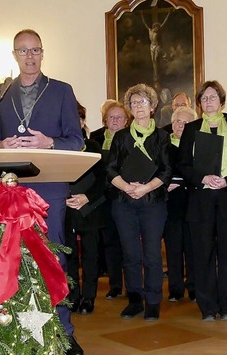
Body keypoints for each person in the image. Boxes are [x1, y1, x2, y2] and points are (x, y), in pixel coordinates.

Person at [0, 28, 84, 355]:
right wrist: (1, 144)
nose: (30, 56)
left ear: (42, 53)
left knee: (52, 263)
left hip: (51, 192)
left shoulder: (62, 91)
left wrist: (48, 142)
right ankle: (17, 333)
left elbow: (77, 142)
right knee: (12, 263)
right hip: (11, 192)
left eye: (35, 50)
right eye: (23, 51)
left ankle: (63, 333)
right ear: (14, 55)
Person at [178, 80, 227, 321]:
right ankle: (207, 306)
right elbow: (183, 165)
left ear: (222, 100)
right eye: (204, 98)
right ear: (199, 104)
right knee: (203, 254)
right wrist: (202, 178)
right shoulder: (191, 129)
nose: (208, 101)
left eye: (212, 97)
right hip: (201, 199)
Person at [106, 83, 172, 321]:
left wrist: (144, 188)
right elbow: (111, 168)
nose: (138, 107)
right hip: (124, 202)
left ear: (152, 106)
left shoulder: (162, 136)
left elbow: (166, 171)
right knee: (131, 253)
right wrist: (127, 187)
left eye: (143, 102)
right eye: (134, 103)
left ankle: (153, 301)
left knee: (152, 254)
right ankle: (135, 299)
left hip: (153, 202)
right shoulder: (121, 137)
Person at [65, 101, 107, 315]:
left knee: (91, 255)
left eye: (79, 118)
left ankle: (89, 298)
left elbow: (102, 180)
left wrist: (86, 198)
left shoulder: (93, 146)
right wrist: (65, 197)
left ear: (82, 121)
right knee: (69, 255)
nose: (75, 122)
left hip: (90, 208)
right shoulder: (60, 147)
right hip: (67, 208)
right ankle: (73, 295)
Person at [90, 100, 130, 300]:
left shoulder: (130, 139)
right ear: (105, 120)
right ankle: (115, 285)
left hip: (123, 196)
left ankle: (131, 285)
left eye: (119, 118)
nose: (115, 120)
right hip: (101, 199)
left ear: (125, 122)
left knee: (127, 242)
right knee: (110, 242)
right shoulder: (94, 138)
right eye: (111, 117)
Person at [164, 106, 197, 302]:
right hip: (170, 205)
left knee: (192, 248)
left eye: (185, 123)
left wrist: (179, 182)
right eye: (177, 121)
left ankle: (193, 287)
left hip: (192, 203)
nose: (180, 126)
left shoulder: (196, 145)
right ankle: (175, 289)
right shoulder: (163, 144)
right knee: (173, 248)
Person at [141, 9, 172, 82]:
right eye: (155, 27)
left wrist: (169, 13)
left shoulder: (157, 32)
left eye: (158, 27)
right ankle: (155, 73)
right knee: (153, 60)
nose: (157, 28)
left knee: (156, 59)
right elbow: (144, 23)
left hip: (157, 46)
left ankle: (157, 73)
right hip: (151, 46)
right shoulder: (150, 31)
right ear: (153, 27)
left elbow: (164, 21)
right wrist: (141, 15)